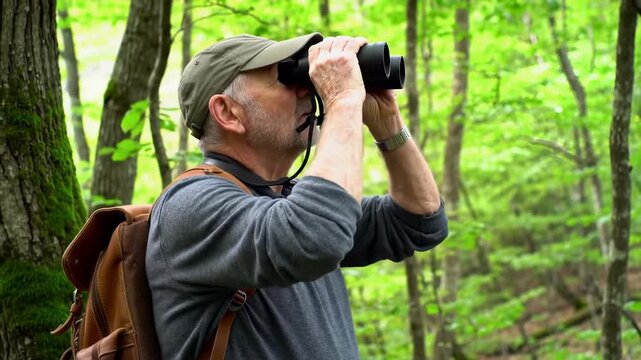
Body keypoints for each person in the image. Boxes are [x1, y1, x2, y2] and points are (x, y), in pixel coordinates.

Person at [146, 32, 448, 360]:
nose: (308, 88)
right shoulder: (192, 203)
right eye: (286, 78)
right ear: (229, 112)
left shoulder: (283, 200)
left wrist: (386, 120)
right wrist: (342, 100)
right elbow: (315, 237)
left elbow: (420, 221)